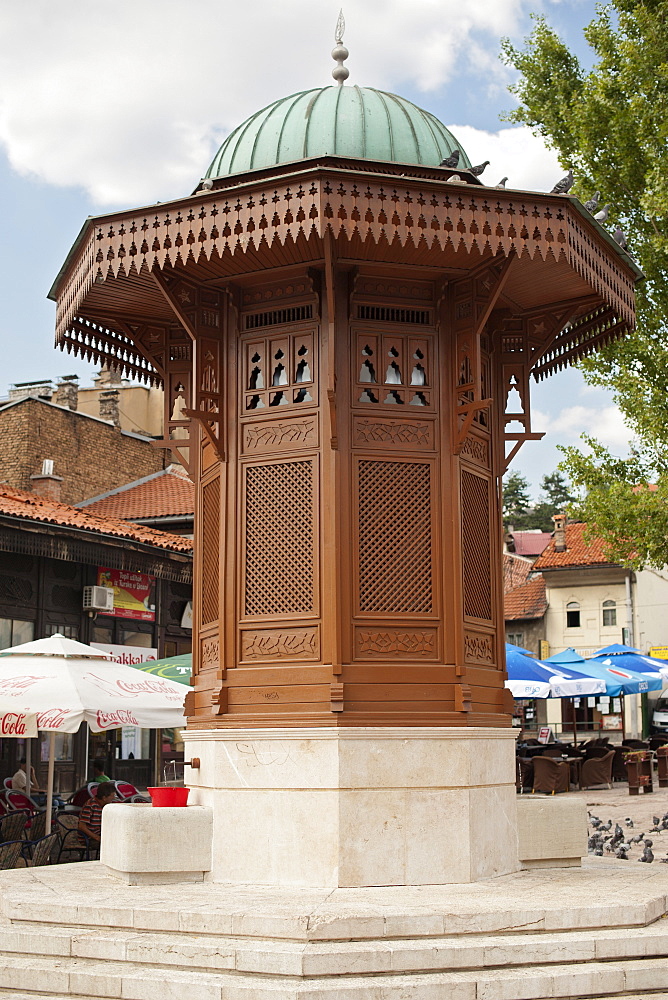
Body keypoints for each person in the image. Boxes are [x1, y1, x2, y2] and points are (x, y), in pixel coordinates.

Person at [78, 781, 117, 848]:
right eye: (112, 796)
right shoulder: (90, 805)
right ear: (104, 798)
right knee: (112, 845)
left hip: (100, 836)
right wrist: (97, 838)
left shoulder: (106, 805)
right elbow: (82, 827)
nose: (114, 798)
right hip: (89, 838)